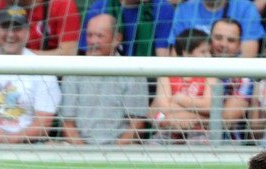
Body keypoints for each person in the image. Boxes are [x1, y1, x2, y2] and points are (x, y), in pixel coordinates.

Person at [0, 6, 62, 143]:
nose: (11, 34)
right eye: (5, 27)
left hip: (24, 143)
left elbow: (44, 125)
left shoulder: (42, 68)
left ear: (27, 32)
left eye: (17, 29)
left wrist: (8, 138)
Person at [59, 13, 149, 145]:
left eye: (99, 36)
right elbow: (68, 124)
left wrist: (112, 153)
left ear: (117, 39)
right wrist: (84, 153)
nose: (93, 41)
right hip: (78, 149)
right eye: (90, 35)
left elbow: (136, 125)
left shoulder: (133, 71)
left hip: (122, 150)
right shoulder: (74, 71)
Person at [149, 28, 218, 143]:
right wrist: (195, 114)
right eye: (203, 52)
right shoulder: (166, 75)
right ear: (186, 53)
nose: (209, 56)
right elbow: (163, 107)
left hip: (200, 131)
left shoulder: (210, 76)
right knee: (153, 145)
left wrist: (179, 99)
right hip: (169, 129)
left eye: (209, 52)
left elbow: (209, 107)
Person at [210, 18, 254, 142]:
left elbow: (226, 119)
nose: (223, 44)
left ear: (239, 45)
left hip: (228, 147)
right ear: (209, 39)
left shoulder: (244, 77)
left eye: (231, 40)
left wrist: (184, 118)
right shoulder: (191, 67)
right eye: (218, 38)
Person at [168, 0, 264, 57]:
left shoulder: (245, 8)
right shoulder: (184, 9)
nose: (223, 44)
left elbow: (247, 57)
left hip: (234, 78)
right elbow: (177, 53)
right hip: (195, 76)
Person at [79, 0, 175, 56]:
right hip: (106, 73)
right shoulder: (100, 7)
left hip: (148, 76)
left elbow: (163, 58)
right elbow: (89, 53)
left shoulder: (162, 8)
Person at [0, 0, 82, 55]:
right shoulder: (1, 3)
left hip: (49, 70)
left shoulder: (62, 3)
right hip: (6, 64)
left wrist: (26, 56)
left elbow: (68, 53)